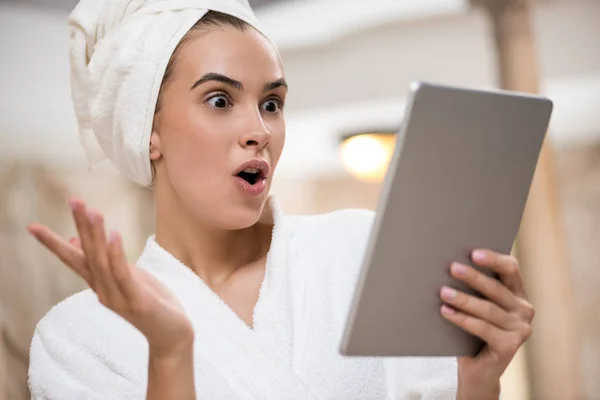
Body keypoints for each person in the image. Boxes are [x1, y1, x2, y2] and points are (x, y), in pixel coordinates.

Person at [26, 0, 535, 399]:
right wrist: (170, 353)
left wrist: (478, 383)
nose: (259, 130)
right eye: (220, 100)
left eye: (272, 103)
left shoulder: (364, 251)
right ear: (148, 129)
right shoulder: (79, 335)